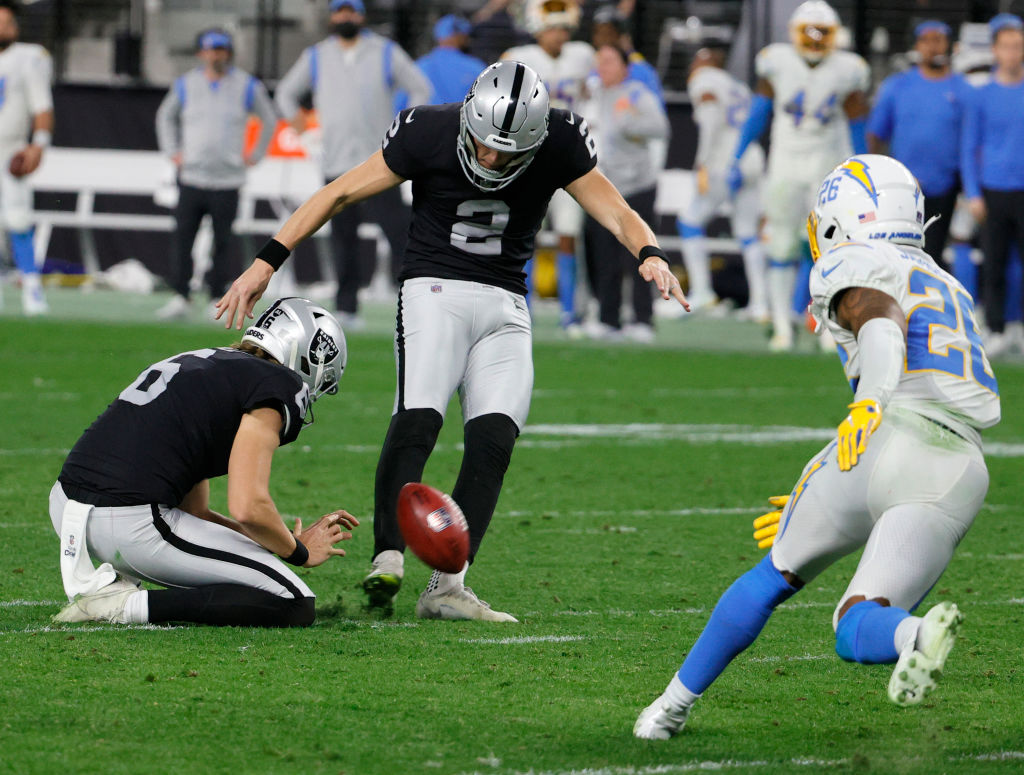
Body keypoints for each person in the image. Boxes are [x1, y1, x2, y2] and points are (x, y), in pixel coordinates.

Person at [216, 61, 687, 621]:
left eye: (505, 153)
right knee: (419, 416)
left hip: (509, 302)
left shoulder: (559, 140)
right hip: (433, 289)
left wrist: (651, 253)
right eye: (483, 145)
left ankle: (447, 587)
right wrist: (267, 262)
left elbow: (617, 211)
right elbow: (339, 192)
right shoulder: (427, 130)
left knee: (494, 440)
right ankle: (386, 557)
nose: (489, 158)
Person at [634, 155, 1000, 739]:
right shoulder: (949, 281)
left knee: (773, 574)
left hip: (880, 438)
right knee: (860, 620)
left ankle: (668, 709)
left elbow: (879, 321)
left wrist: (869, 405)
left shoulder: (852, 260)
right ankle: (914, 636)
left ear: (843, 216)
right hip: (958, 467)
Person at [50, 298, 358, 628]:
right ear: (308, 359)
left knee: (254, 572)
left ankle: (118, 588)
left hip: (68, 508)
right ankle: (123, 605)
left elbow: (195, 512)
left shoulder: (211, 361)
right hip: (129, 521)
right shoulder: (279, 384)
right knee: (294, 602)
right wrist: (299, 552)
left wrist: (279, 540)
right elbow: (248, 506)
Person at [275, 0, 430, 326]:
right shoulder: (317, 55)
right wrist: (305, 133)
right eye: (340, 10)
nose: (345, 16)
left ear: (360, 15)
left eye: (351, 10)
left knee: (400, 235)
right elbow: (285, 94)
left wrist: (405, 131)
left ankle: (419, 304)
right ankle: (347, 308)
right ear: (333, 16)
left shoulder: (385, 51)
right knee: (343, 238)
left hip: (380, 164)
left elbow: (420, 88)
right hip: (337, 163)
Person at [729, 0, 869, 351]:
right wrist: (737, 154)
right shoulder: (777, 61)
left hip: (828, 165)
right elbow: (759, 111)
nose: (816, 38)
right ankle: (781, 325)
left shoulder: (847, 68)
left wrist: (865, 168)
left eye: (823, 31)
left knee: (831, 248)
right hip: (786, 163)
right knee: (781, 242)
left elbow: (857, 122)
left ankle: (828, 326)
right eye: (810, 31)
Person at [154, 28, 278, 321]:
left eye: (221, 49)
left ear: (229, 53)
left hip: (227, 179)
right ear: (201, 53)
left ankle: (215, 296)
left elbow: (269, 118)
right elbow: (165, 116)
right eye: (211, 49)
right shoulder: (187, 84)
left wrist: (256, 154)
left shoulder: (246, 85)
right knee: (184, 237)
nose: (216, 55)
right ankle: (181, 295)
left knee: (222, 242)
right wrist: (173, 150)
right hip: (192, 176)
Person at [503, 0, 595, 332]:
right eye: (553, 27)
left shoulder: (582, 55)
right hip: (530, 160)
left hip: (569, 161)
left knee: (569, 236)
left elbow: (592, 92)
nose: (559, 34)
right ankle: (521, 308)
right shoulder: (521, 58)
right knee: (526, 236)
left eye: (562, 28)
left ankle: (570, 313)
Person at [583, 44, 669, 341]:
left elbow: (660, 127)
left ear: (624, 66)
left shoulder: (636, 93)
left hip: (636, 186)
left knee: (641, 254)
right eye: (600, 61)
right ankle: (609, 319)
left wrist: (629, 124)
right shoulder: (593, 95)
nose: (603, 67)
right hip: (602, 187)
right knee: (602, 255)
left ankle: (643, 319)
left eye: (609, 60)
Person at [867, 20, 970, 264]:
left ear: (949, 45)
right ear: (917, 46)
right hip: (903, 190)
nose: (933, 47)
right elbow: (875, 135)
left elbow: (972, 140)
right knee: (900, 255)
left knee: (937, 254)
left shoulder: (964, 90)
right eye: (927, 40)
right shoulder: (896, 87)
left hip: (948, 189)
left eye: (939, 40)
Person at [677, 45, 767, 318]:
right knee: (748, 233)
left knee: (690, 222)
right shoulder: (737, 85)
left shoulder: (704, 80)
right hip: (750, 159)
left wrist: (702, 162)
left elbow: (710, 119)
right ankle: (761, 303)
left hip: (723, 162)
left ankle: (703, 291)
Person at [961, 13, 1024, 359]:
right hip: (993, 190)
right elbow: (969, 147)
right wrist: (973, 192)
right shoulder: (981, 96)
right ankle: (997, 328)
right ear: (996, 51)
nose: (1013, 52)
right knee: (995, 264)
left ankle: (1020, 328)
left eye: (1018, 46)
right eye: (1007, 46)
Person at [0, 0, 53, 316]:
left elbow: (42, 107)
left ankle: (31, 289)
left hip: (11, 150)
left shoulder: (28, 59)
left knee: (18, 220)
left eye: (6, 22)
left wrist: (38, 144)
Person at [417, 15, 486, 105]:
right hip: (463, 118)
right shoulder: (476, 67)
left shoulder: (418, 66)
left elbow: (400, 108)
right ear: (459, 36)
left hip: (424, 119)